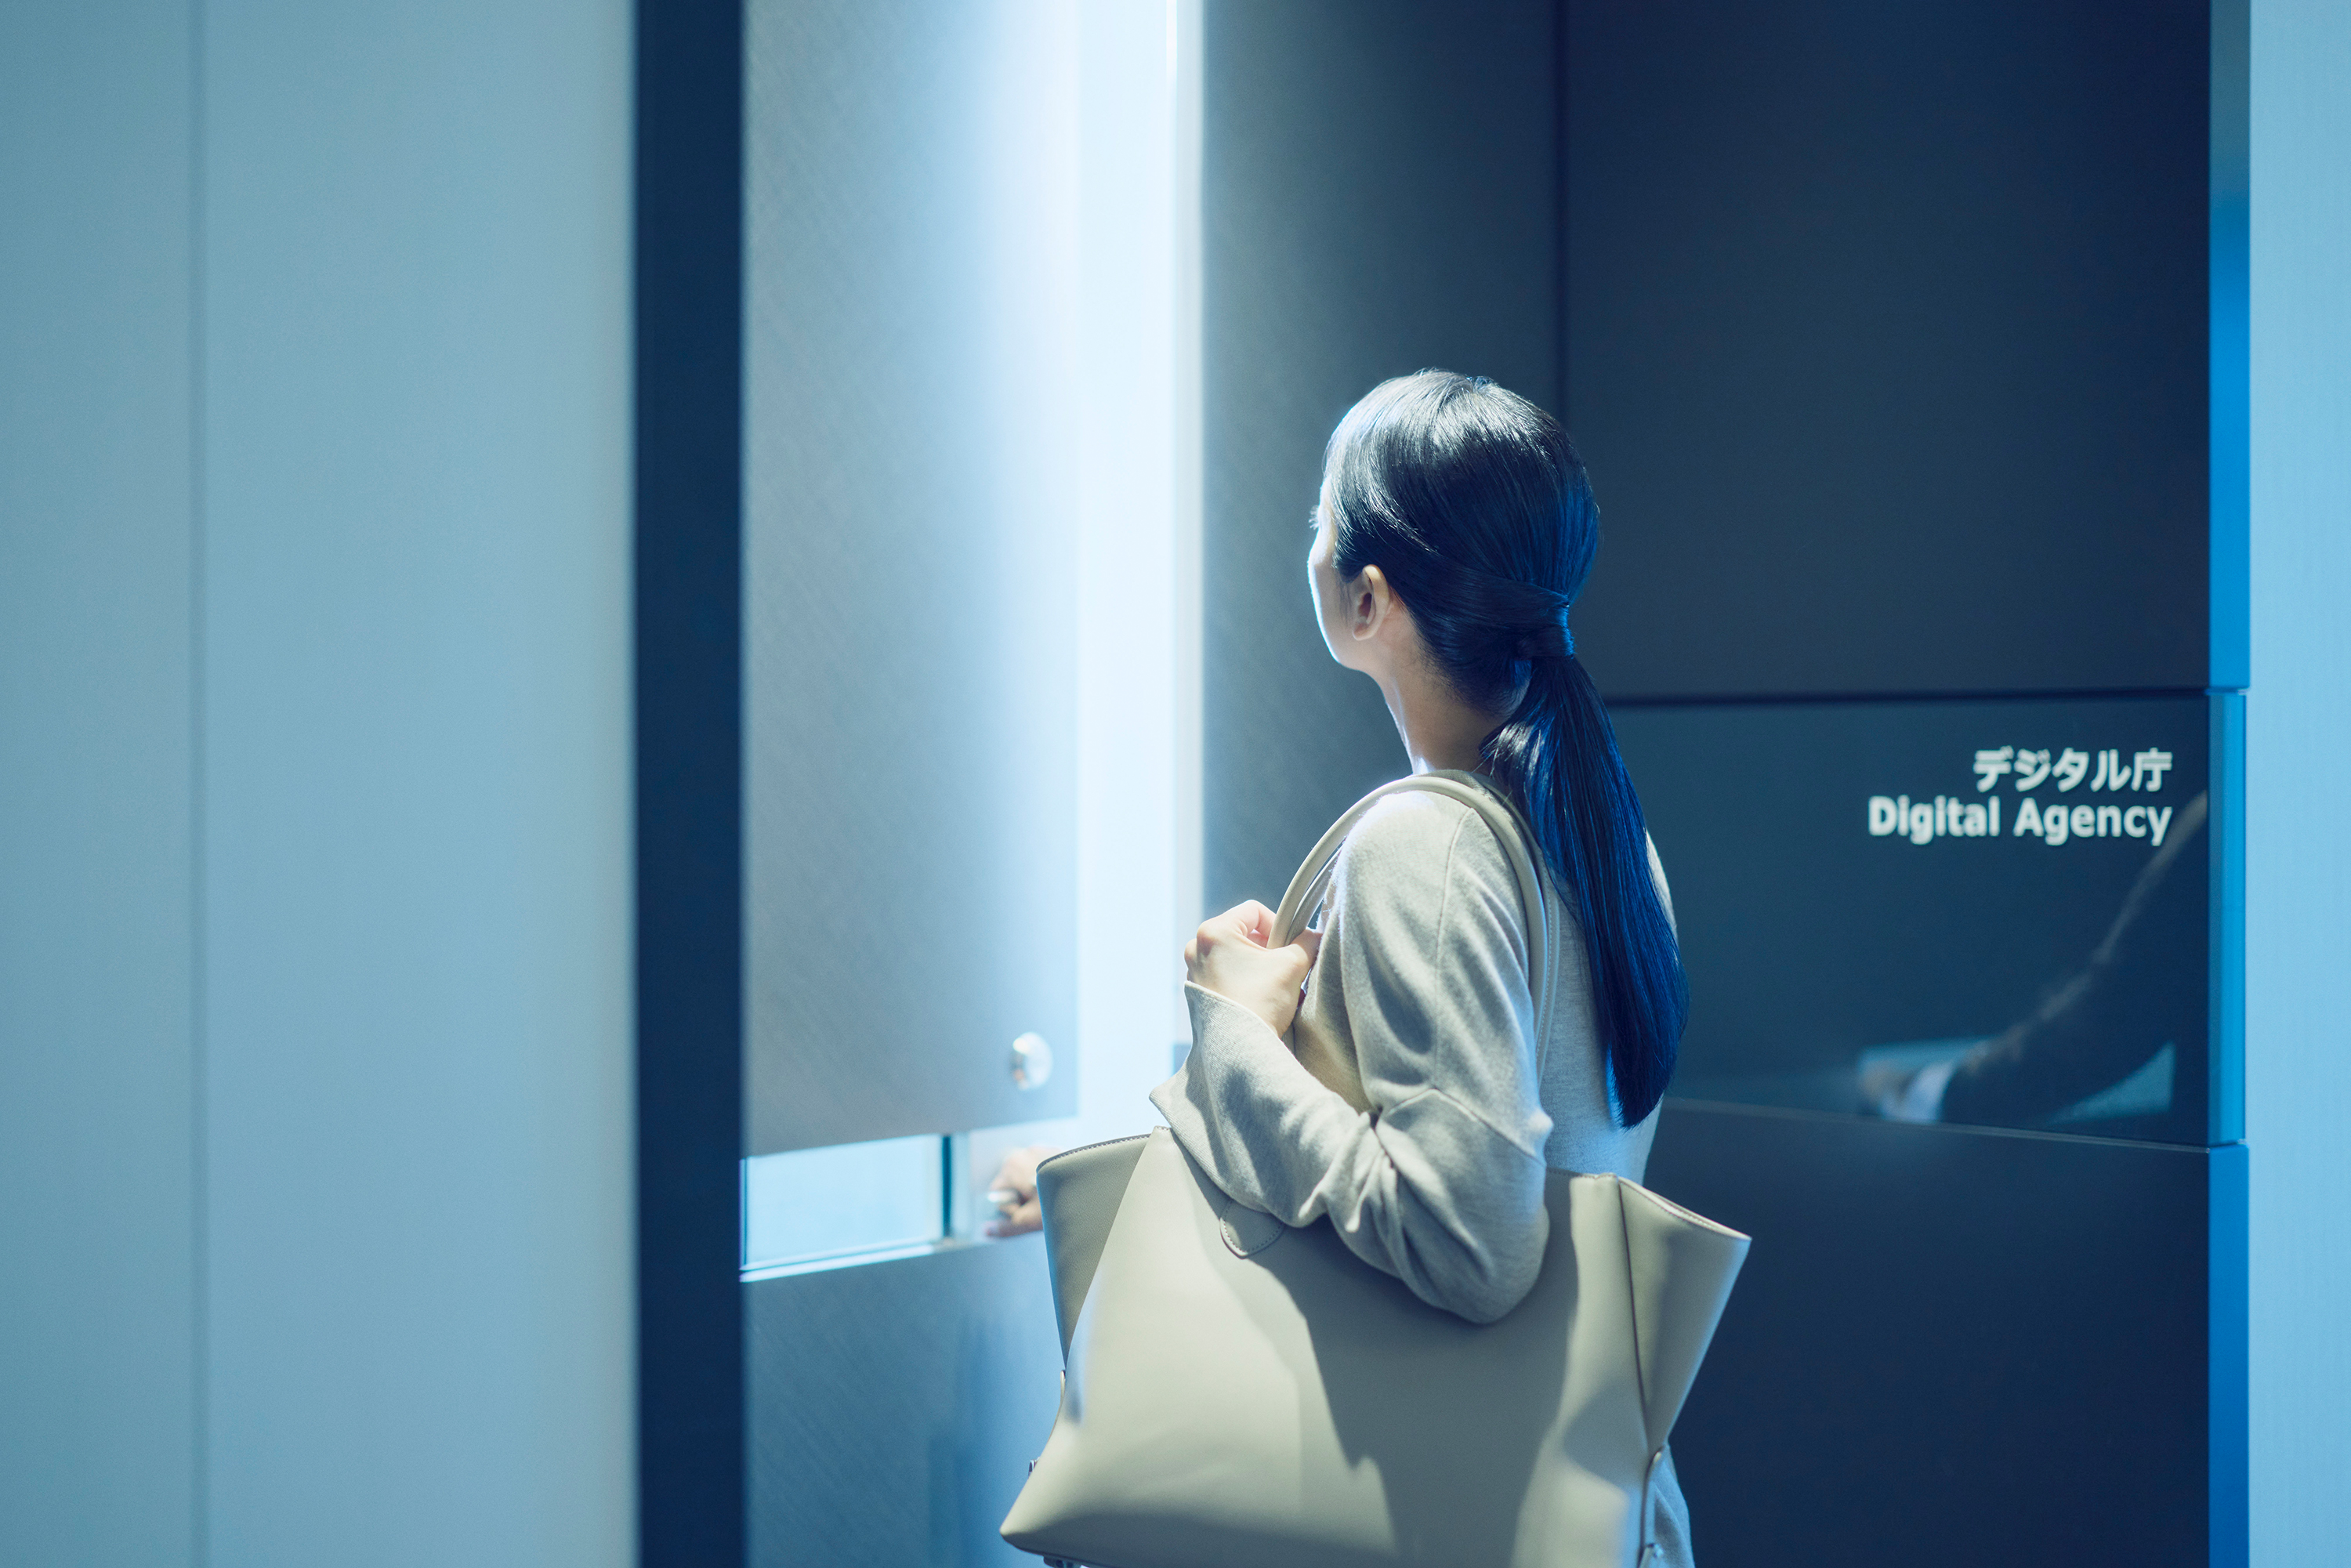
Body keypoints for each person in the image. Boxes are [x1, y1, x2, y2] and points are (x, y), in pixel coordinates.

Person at [992, 370, 1697, 1562]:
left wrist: (1230, 1031)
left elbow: (1475, 1241)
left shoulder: (1424, 838)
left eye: (1322, 514)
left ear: (1368, 598)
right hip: (1581, 1510)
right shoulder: (1603, 832)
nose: (1307, 541)